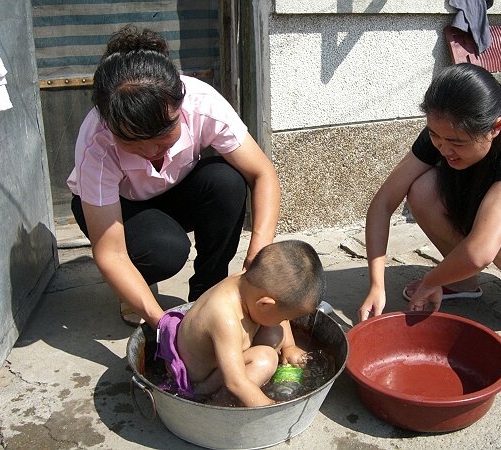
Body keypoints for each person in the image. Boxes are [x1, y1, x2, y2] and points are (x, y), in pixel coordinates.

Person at [358, 63, 501, 360]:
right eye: (435, 137)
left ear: (495, 128)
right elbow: (383, 202)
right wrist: (376, 284)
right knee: (421, 188)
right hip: (495, 222)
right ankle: (462, 281)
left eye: (457, 143)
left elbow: (481, 250)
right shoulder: (446, 128)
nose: (444, 149)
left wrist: (431, 280)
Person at [67, 25, 280, 327]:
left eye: (163, 133)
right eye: (132, 139)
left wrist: (259, 251)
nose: (151, 149)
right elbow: (110, 252)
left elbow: (261, 174)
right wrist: (161, 323)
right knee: (164, 250)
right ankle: (137, 286)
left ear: (179, 104)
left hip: (173, 190)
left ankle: (208, 291)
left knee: (226, 181)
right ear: (109, 124)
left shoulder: (202, 103)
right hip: (120, 207)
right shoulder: (96, 141)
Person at [155, 240, 325, 406]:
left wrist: (289, 346)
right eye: (285, 317)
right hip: (201, 383)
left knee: (276, 332)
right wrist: (269, 406)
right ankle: (218, 403)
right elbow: (234, 382)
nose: (285, 322)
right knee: (265, 359)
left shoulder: (247, 282)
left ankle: (248, 383)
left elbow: (277, 314)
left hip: (221, 361)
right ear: (265, 304)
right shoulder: (224, 317)